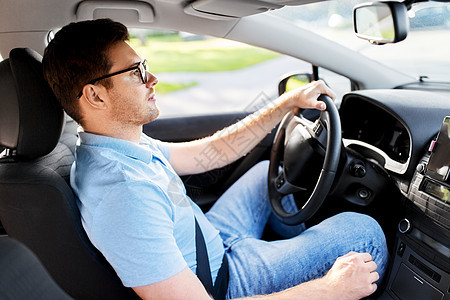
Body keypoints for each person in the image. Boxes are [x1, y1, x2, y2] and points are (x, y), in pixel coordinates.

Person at [43, 18, 388, 300]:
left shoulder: (116, 146)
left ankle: (301, 258)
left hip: (213, 240)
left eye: (143, 66)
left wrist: (288, 103)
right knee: (363, 232)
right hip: (225, 282)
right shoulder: (121, 195)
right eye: (135, 72)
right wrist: (328, 288)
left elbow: (208, 154)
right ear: (95, 96)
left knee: (268, 171)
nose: (152, 79)